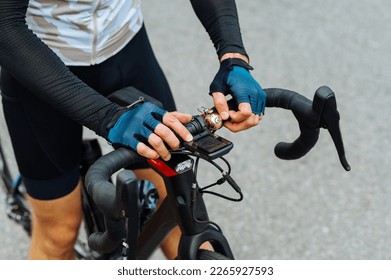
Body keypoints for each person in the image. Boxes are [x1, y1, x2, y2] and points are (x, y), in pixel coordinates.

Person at [0, 0, 266, 259]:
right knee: (58, 232)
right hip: (38, 61)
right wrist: (108, 117)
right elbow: (4, 23)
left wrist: (233, 56)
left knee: (176, 206)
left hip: (125, 43)